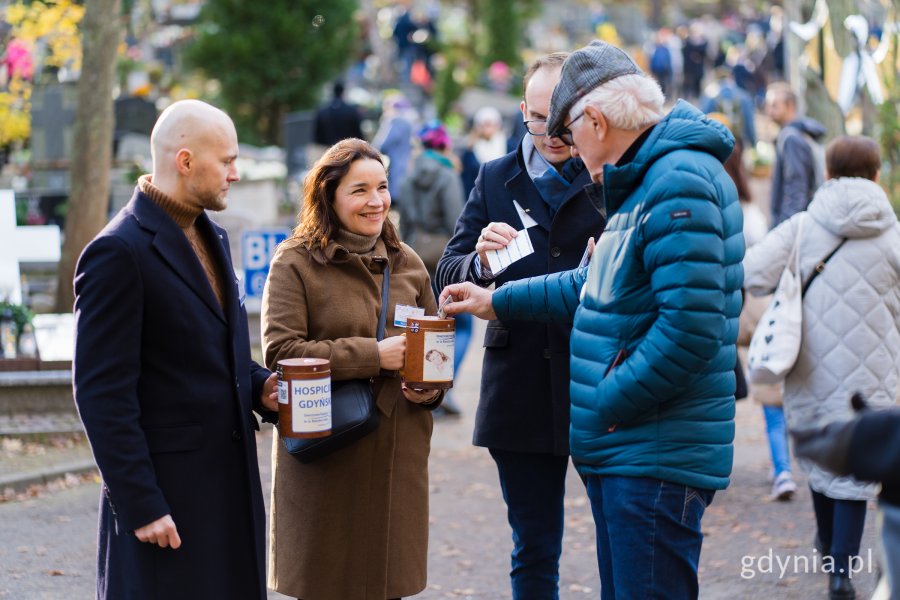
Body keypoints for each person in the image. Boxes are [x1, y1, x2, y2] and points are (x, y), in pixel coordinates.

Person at [440, 40, 743, 599]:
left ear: (596, 120)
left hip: (644, 439)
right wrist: (493, 297)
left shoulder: (670, 181)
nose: (568, 150)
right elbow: (593, 284)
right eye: (538, 124)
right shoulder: (650, 177)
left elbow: (690, 329)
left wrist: (606, 399)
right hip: (619, 434)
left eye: (568, 132)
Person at [72, 99, 279, 599]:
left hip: (228, 491)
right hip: (167, 503)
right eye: (226, 160)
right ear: (184, 161)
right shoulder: (117, 252)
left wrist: (260, 387)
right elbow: (101, 393)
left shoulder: (214, 235)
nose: (235, 172)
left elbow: (207, 349)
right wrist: (141, 503)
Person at [435, 52, 601, 598]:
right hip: (521, 385)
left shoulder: (612, 177)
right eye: (535, 119)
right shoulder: (495, 176)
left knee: (620, 539)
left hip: (599, 379)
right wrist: (479, 264)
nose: (549, 134)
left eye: (560, 120)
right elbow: (448, 275)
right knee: (533, 546)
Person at [261, 138, 442, 600]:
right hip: (328, 451)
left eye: (381, 187)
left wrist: (430, 390)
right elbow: (281, 352)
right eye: (360, 190)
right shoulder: (295, 262)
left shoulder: (409, 264)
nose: (376, 201)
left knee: (387, 585)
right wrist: (372, 355)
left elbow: (432, 350)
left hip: (396, 454)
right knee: (327, 584)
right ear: (329, 196)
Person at [744, 135, 900, 600]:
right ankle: (841, 571)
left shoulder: (803, 227)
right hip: (877, 373)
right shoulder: (893, 234)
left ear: (827, 173)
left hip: (810, 367)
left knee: (821, 457)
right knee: (858, 469)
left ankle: (831, 550)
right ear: (877, 176)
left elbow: (751, 273)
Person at [792, 401, 900, 600]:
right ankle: (839, 572)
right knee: (846, 487)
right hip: (873, 401)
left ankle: (835, 563)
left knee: (827, 478)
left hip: (832, 409)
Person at [398, 120, 467, 416]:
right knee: (460, 325)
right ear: (442, 145)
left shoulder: (407, 178)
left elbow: (403, 225)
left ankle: (424, 386)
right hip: (443, 257)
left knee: (424, 324)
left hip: (415, 255)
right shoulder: (447, 175)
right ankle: (443, 388)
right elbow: (457, 222)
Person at [765, 82, 827, 228]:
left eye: (775, 105)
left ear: (790, 107)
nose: (769, 111)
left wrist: (784, 232)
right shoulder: (799, 134)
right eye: (768, 105)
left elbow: (796, 191)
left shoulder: (791, 139)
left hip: (794, 229)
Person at [313, 81, 364, 147]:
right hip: (347, 149)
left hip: (329, 148)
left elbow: (317, 136)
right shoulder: (351, 110)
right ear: (343, 92)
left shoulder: (323, 111)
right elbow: (358, 133)